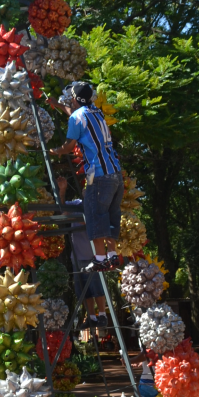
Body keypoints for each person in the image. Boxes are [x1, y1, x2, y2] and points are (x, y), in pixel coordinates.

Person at [50, 82, 123, 271]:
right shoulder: (95, 112)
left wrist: (55, 151)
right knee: (110, 215)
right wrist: (58, 106)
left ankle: (99, 259)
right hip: (115, 174)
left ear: (74, 99)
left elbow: (68, 146)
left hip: (99, 176)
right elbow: (74, 114)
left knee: (94, 215)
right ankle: (112, 256)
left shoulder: (77, 117)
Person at [56, 175, 109, 330]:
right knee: (82, 290)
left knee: (97, 288)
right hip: (77, 257)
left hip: (95, 256)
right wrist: (62, 191)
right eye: (86, 188)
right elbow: (63, 212)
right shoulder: (77, 204)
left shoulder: (99, 206)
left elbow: (87, 221)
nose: (86, 189)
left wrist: (81, 216)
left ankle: (103, 316)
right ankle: (91, 317)